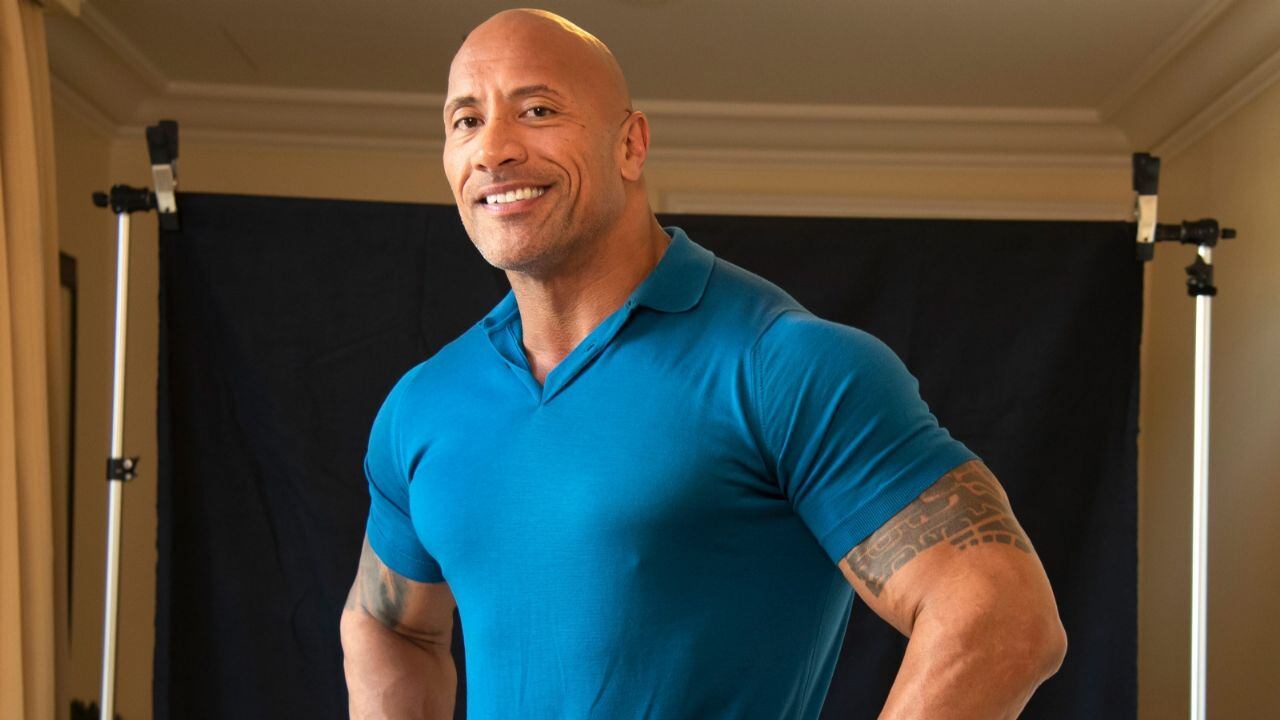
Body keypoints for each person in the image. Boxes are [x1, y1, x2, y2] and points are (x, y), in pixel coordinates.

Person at [340, 9, 1066, 719]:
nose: (493, 148)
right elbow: (388, 624)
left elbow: (1002, 619)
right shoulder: (423, 405)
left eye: (537, 111)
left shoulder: (785, 365)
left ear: (631, 145)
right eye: (466, 120)